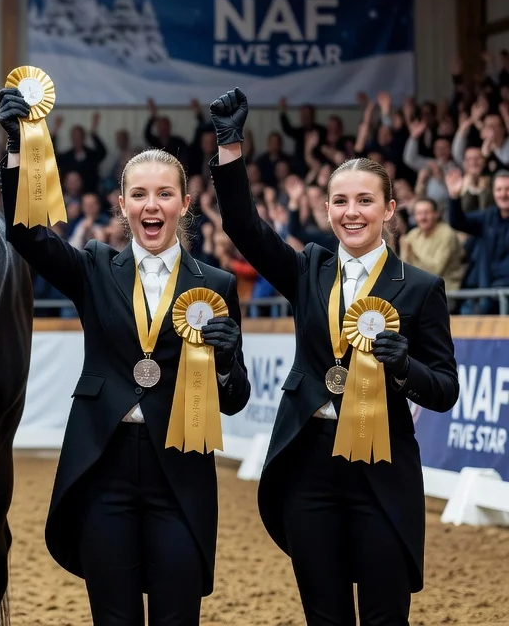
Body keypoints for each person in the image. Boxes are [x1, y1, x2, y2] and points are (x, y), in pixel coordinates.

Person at [0, 89, 249, 626]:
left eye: (163, 194)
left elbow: (234, 400)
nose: (150, 206)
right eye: (138, 194)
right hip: (103, 470)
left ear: (184, 203)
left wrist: (226, 363)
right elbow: (26, 235)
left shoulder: (218, 285)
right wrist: (19, 148)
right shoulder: (93, 266)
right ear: (123, 204)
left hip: (179, 475)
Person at [208, 87, 459, 625]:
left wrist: (403, 367)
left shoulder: (421, 288)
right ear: (326, 210)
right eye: (341, 202)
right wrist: (231, 147)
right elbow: (243, 228)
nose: (352, 212)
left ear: (390, 209)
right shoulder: (309, 270)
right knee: (325, 617)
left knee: (384, 617)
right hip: (310, 468)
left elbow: (444, 389)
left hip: (384, 467)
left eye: (365, 201)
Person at [446, 170, 509, 315]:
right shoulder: (487, 217)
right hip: (487, 291)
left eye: (507, 189)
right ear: (493, 192)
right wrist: (454, 197)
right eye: (499, 189)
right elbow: (458, 222)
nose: (504, 194)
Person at [400, 197, 463, 292]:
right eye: (419, 214)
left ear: (436, 214)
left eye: (426, 213)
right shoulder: (413, 235)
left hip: (443, 291)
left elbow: (435, 271)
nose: (422, 217)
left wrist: (412, 252)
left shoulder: (446, 234)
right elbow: (403, 268)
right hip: (418, 288)